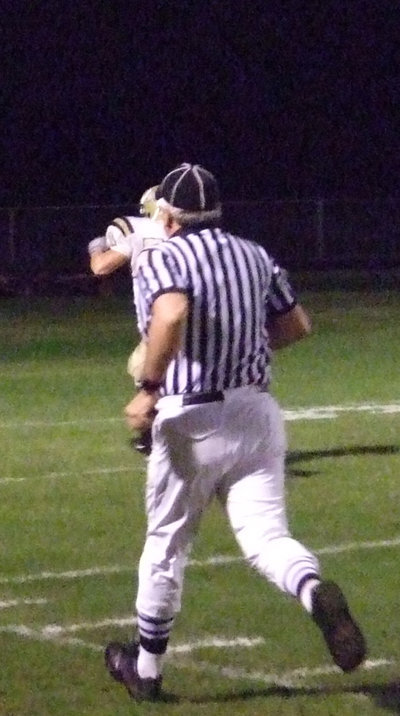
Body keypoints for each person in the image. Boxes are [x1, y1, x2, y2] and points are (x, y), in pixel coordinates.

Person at [104, 163, 366, 701]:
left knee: (167, 544)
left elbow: (171, 313)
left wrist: (149, 387)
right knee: (267, 537)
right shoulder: (255, 254)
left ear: (170, 215)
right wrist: (242, 354)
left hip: (191, 415)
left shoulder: (167, 254)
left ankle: (147, 672)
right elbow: (297, 326)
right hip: (256, 411)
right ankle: (315, 592)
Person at [87, 186, 168, 455]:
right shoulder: (189, 235)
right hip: (196, 316)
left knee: (147, 370)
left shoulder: (137, 230)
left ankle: (154, 435)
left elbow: (101, 267)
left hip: (162, 320)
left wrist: (96, 248)